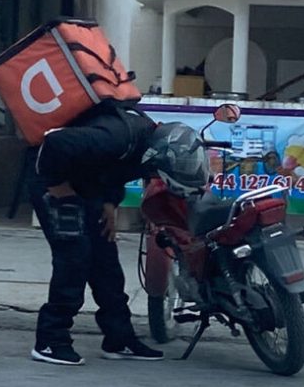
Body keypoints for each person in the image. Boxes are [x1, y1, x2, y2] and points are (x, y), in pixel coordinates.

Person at [27, 101, 210, 366]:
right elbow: (55, 143)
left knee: (106, 264)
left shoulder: (148, 145)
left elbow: (114, 170)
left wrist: (110, 202)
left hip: (85, 184)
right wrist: (57, 186)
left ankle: (119, 338)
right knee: (74, 258)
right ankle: (50, 341)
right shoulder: (116, 137)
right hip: (51, 179)